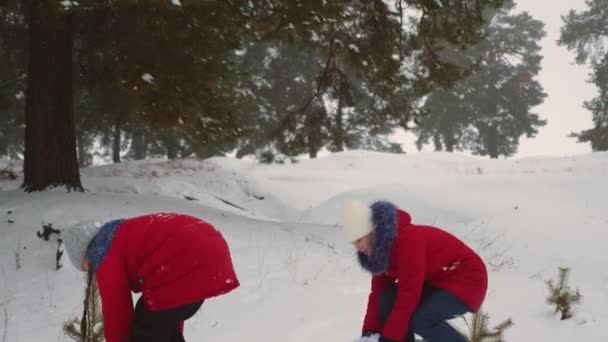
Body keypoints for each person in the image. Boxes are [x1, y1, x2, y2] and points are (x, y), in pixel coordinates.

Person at [62, 212, 240, 342]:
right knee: (156, 326)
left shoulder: (102, 252)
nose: (87, 271)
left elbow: (117, 314)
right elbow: (169, 310)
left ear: (84, 253)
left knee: (144, 332)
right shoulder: (122, 234)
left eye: (83, 267)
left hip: (186, 259)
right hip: (209, 254)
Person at [341, 200, 488, 342]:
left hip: (468, 278)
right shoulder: (380, 253)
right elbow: (377, 294)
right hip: (440, 281)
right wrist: (369, 332)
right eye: (354, 242)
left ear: (372, 232)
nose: (358, 247)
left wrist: (390, 337)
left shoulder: (407, 241)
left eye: (359, 239)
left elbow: (409, 293)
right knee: (387, 297)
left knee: (422, 319)